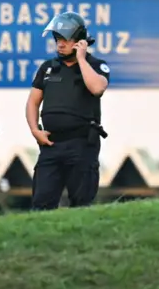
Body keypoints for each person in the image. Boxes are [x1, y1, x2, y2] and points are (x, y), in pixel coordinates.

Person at [26, 11, 110, 210]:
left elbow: (97, 88)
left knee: (81, 203)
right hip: (51, 144)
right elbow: (32, 102)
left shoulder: (95, 65)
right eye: (57, 40)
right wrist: (35, 130)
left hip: (82, 144)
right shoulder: (48, 68)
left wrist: (81, 59)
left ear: (80, 41)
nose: (60, 44)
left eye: (65, 40)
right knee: (41, 203)